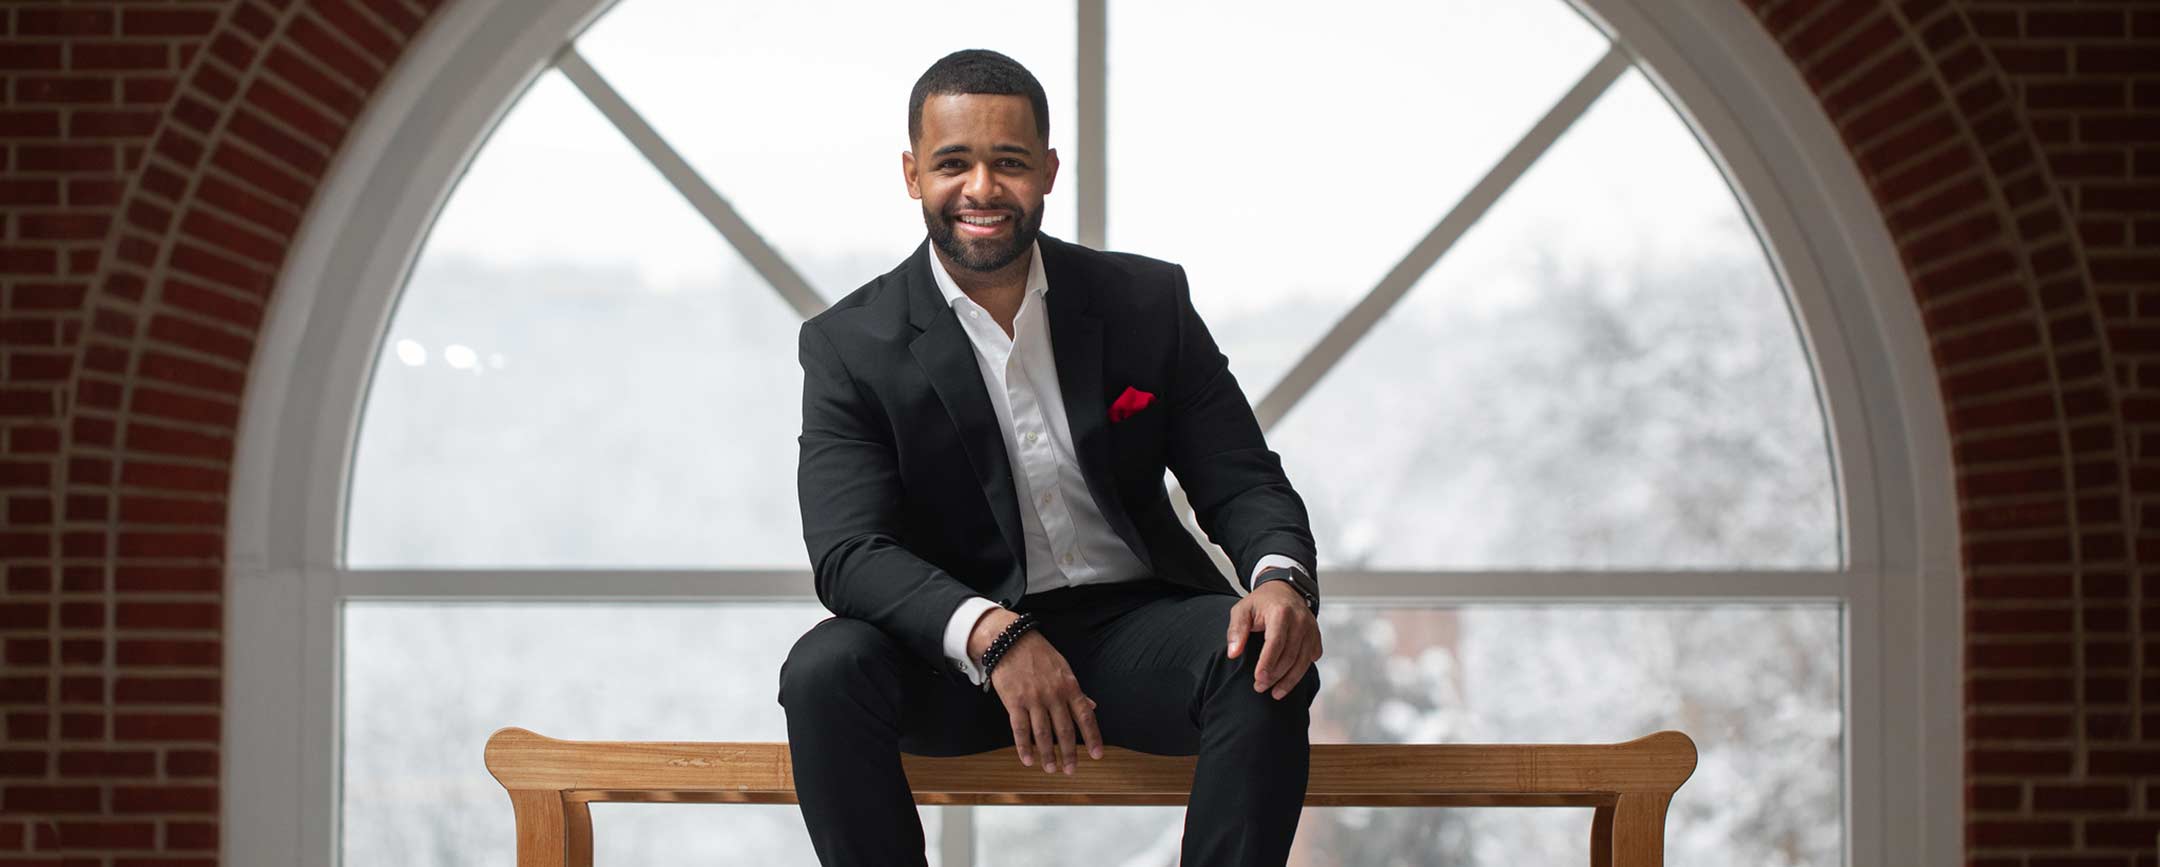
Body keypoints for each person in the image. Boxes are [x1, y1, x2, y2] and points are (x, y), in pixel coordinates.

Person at [781, 48, 1323, 867]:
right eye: (952, 163)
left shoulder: (1146, 302)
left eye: (1009, 162)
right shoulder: (850, 346)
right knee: (824, 669)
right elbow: (850, 551)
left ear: (1048, 170)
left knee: (1262, 658)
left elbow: (1240, 475)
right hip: (954, 657)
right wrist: (995, 635)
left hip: (1133, 632)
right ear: (910, 173)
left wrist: (1282, 578)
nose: (981, 189)